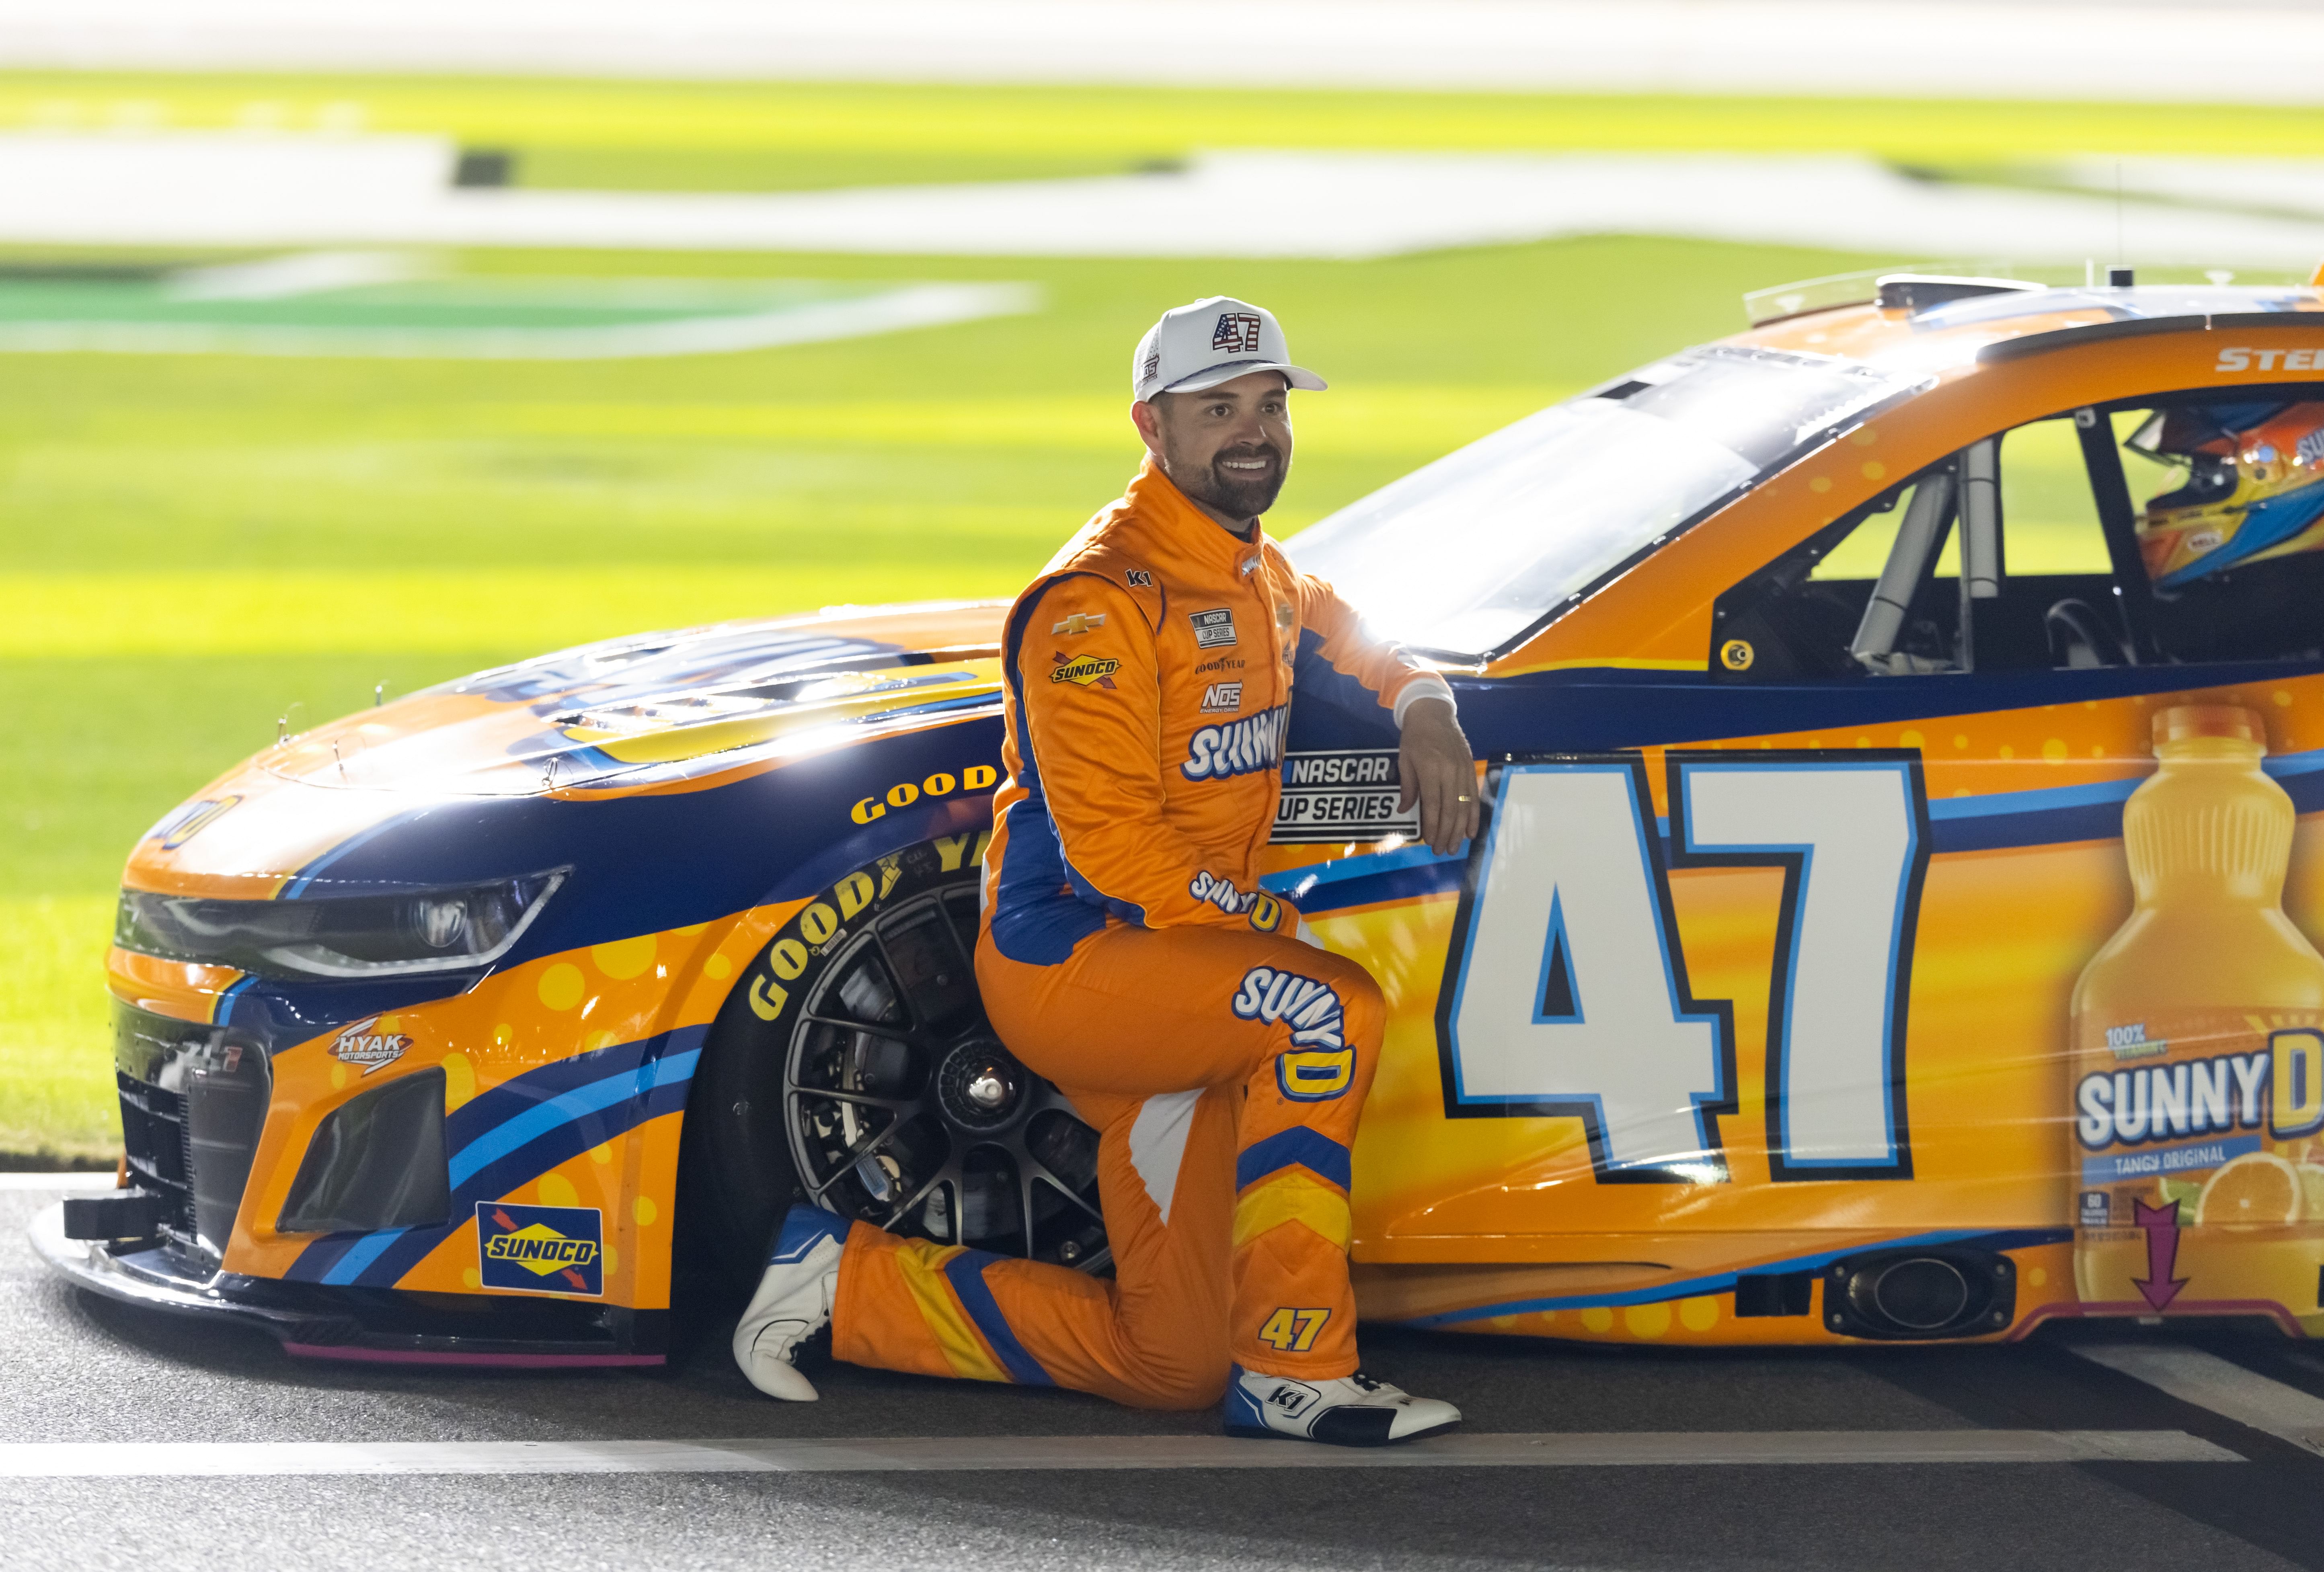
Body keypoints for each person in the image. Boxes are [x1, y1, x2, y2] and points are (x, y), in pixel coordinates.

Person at [731, 296, 1480, 1447]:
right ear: (1151, 426)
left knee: (1169, 1363)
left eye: (1270, 405)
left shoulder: (1252, 568)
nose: (1253, 432)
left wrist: (1421, 698)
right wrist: (1263, 924)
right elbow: (1114, 852)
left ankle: (839, 1284)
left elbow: (1338, 621)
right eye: (1216, 408)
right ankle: (1299, 1372)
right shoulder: (1096, 601)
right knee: (1325, 1013)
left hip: (1177, 982)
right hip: (1078, 965)